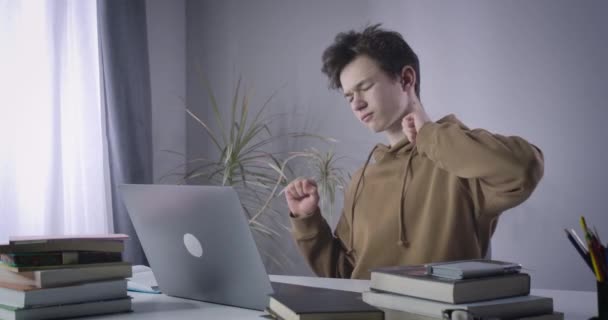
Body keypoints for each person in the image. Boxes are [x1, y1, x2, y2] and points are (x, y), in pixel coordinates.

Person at [284, 24, 545, 280]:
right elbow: (344, 276)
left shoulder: (458, 158)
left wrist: (429, 135)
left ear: (406, 79)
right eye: (349, 96)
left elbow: (523, 169)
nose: (358, 104)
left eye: (365, 87)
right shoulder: (362, 180)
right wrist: (308, 220)